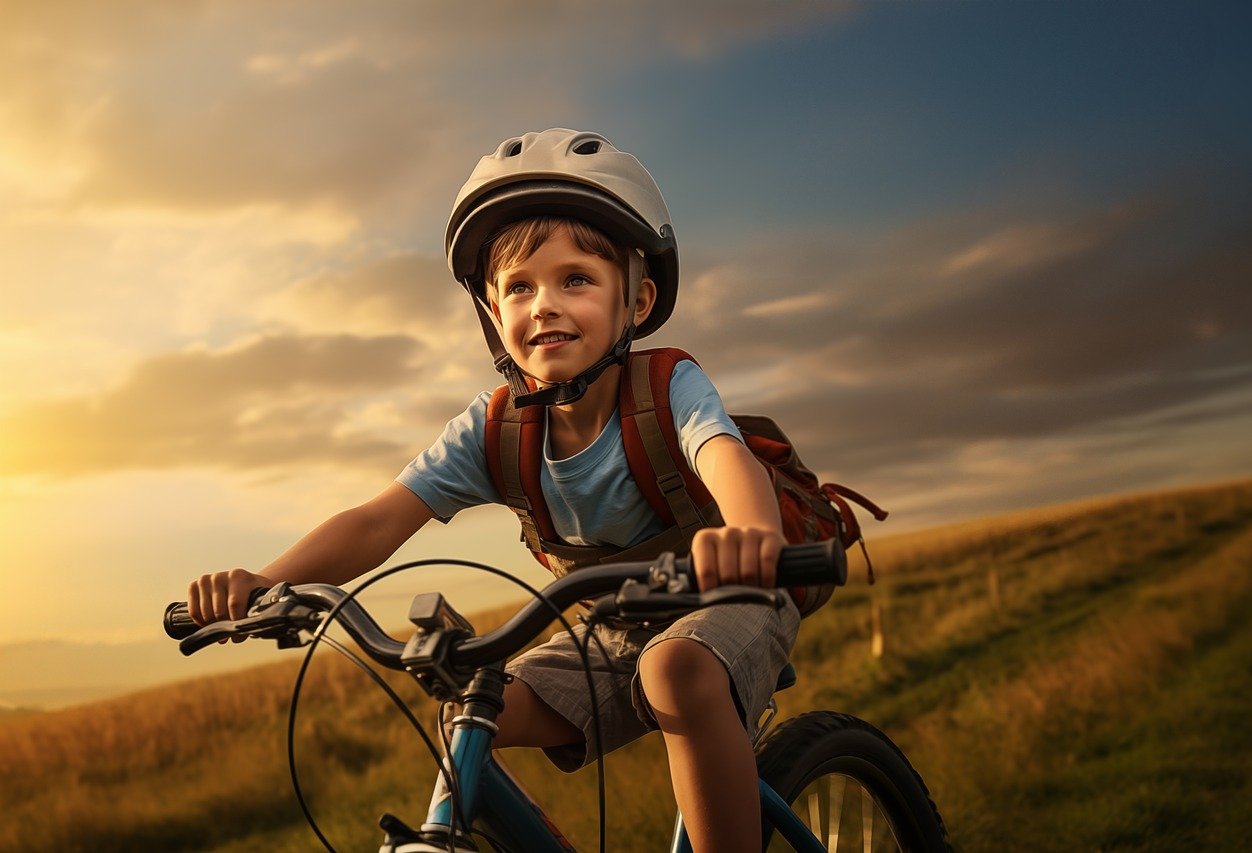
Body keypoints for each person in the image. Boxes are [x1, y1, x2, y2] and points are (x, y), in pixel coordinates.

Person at [185, 128, 798, 853]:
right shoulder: (495, 428)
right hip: (610, 621)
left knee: (675, 669)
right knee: (471, 709)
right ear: (493, 313)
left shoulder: (666, 387)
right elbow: (378, 520)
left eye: (576, 279)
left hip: (731, 593)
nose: (544, 304)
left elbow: (727, 458)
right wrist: (266, 581)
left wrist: (750, 533)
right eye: (519, 286)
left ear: (636, 302)